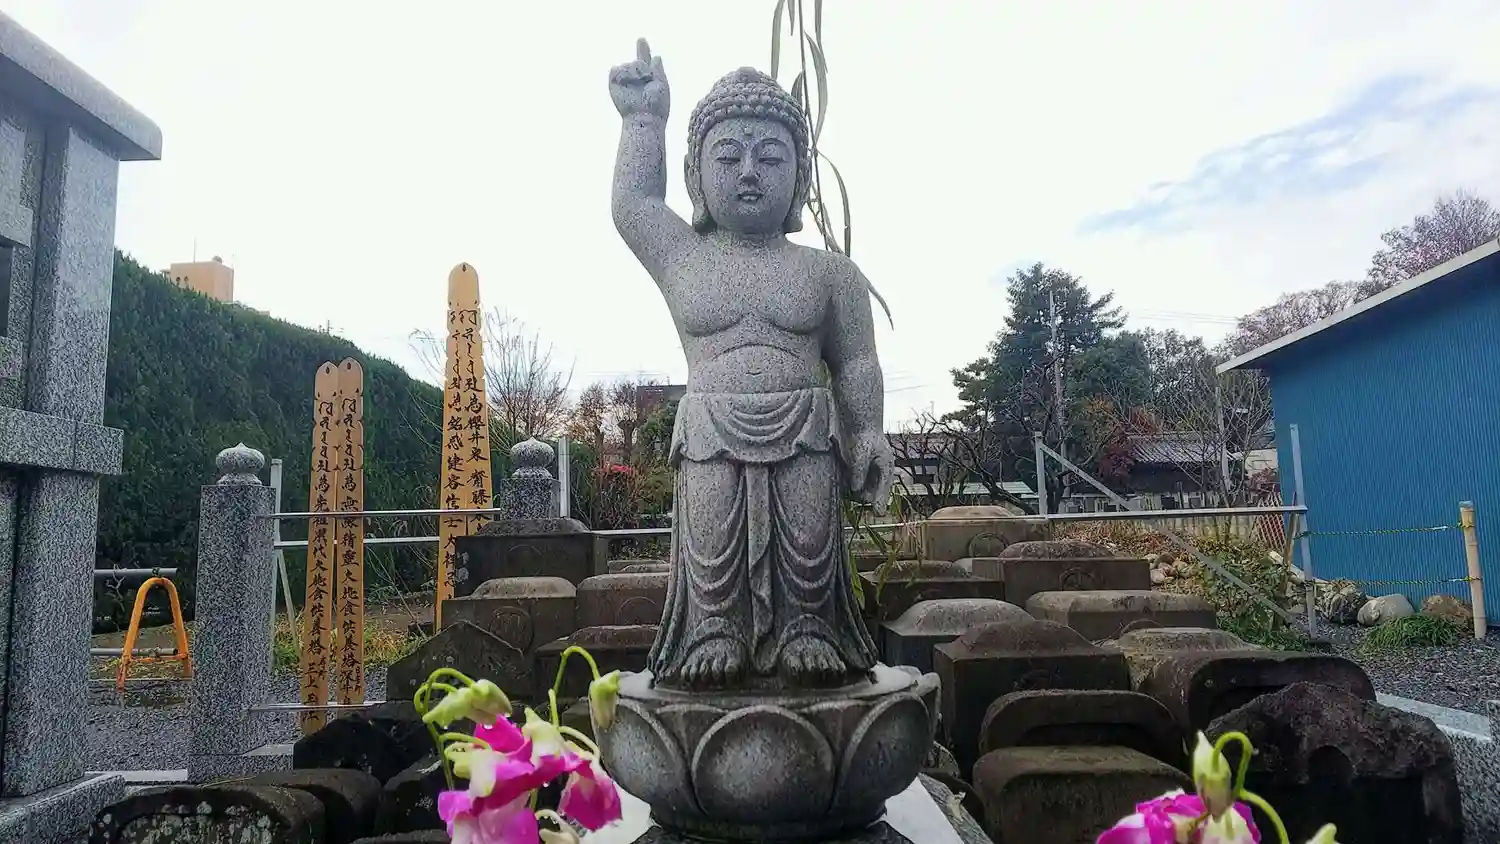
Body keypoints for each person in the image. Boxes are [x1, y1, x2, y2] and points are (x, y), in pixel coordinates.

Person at [608, 40, 893, 690]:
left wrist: (868, 432)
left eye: (769, 157)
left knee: (809, 546)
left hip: (806, 433)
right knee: (711, 547)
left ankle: (808, 628)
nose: (748, 172)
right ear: (696, 177)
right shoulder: (685, 258)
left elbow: (856, 362)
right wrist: (643, 121)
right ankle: (713, 629)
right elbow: (634, 208)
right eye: (728, 156)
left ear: (800, 177)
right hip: (709, 434)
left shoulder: (830, 274)